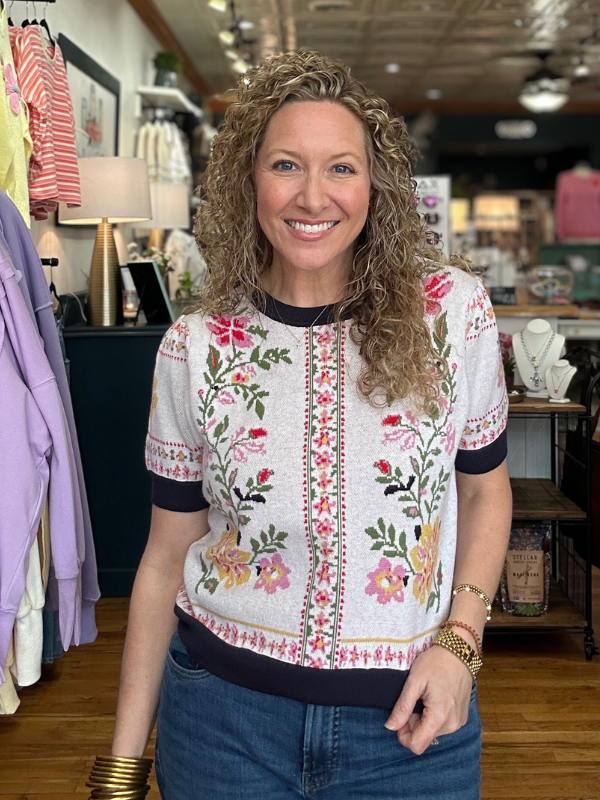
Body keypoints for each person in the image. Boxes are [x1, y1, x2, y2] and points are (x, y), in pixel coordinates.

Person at [95, 51, 512, 800]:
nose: (312, 196)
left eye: (341, 168)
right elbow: (164, 558)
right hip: (220, 726)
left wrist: (461, 642)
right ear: (248, 180)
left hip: (412, 729)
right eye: (286, 164)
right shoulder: (195, 347)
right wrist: (121, 770)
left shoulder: (451, 314)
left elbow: (484, 489)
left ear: (376, 185)